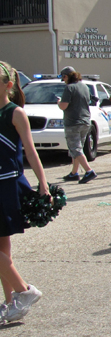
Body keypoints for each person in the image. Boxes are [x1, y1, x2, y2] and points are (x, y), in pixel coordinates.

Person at [0, 61, 49, 323]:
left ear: (8, 86)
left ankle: (24, 291)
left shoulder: (14, 112)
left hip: (6, 185)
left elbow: (30, 151)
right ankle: (10, 303)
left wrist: (42, 182)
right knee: (2, 249)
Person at [57, 66, 97, 184]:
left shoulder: (69, 88)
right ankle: (74, 173)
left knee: (75, 148)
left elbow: (64, 106)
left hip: (73, 122)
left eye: (63, 77)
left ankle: (89, 171)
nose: (63, 80)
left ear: (66, 76)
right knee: (77, 149)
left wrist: (59, 102)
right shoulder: (84, 86)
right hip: (85, 121)